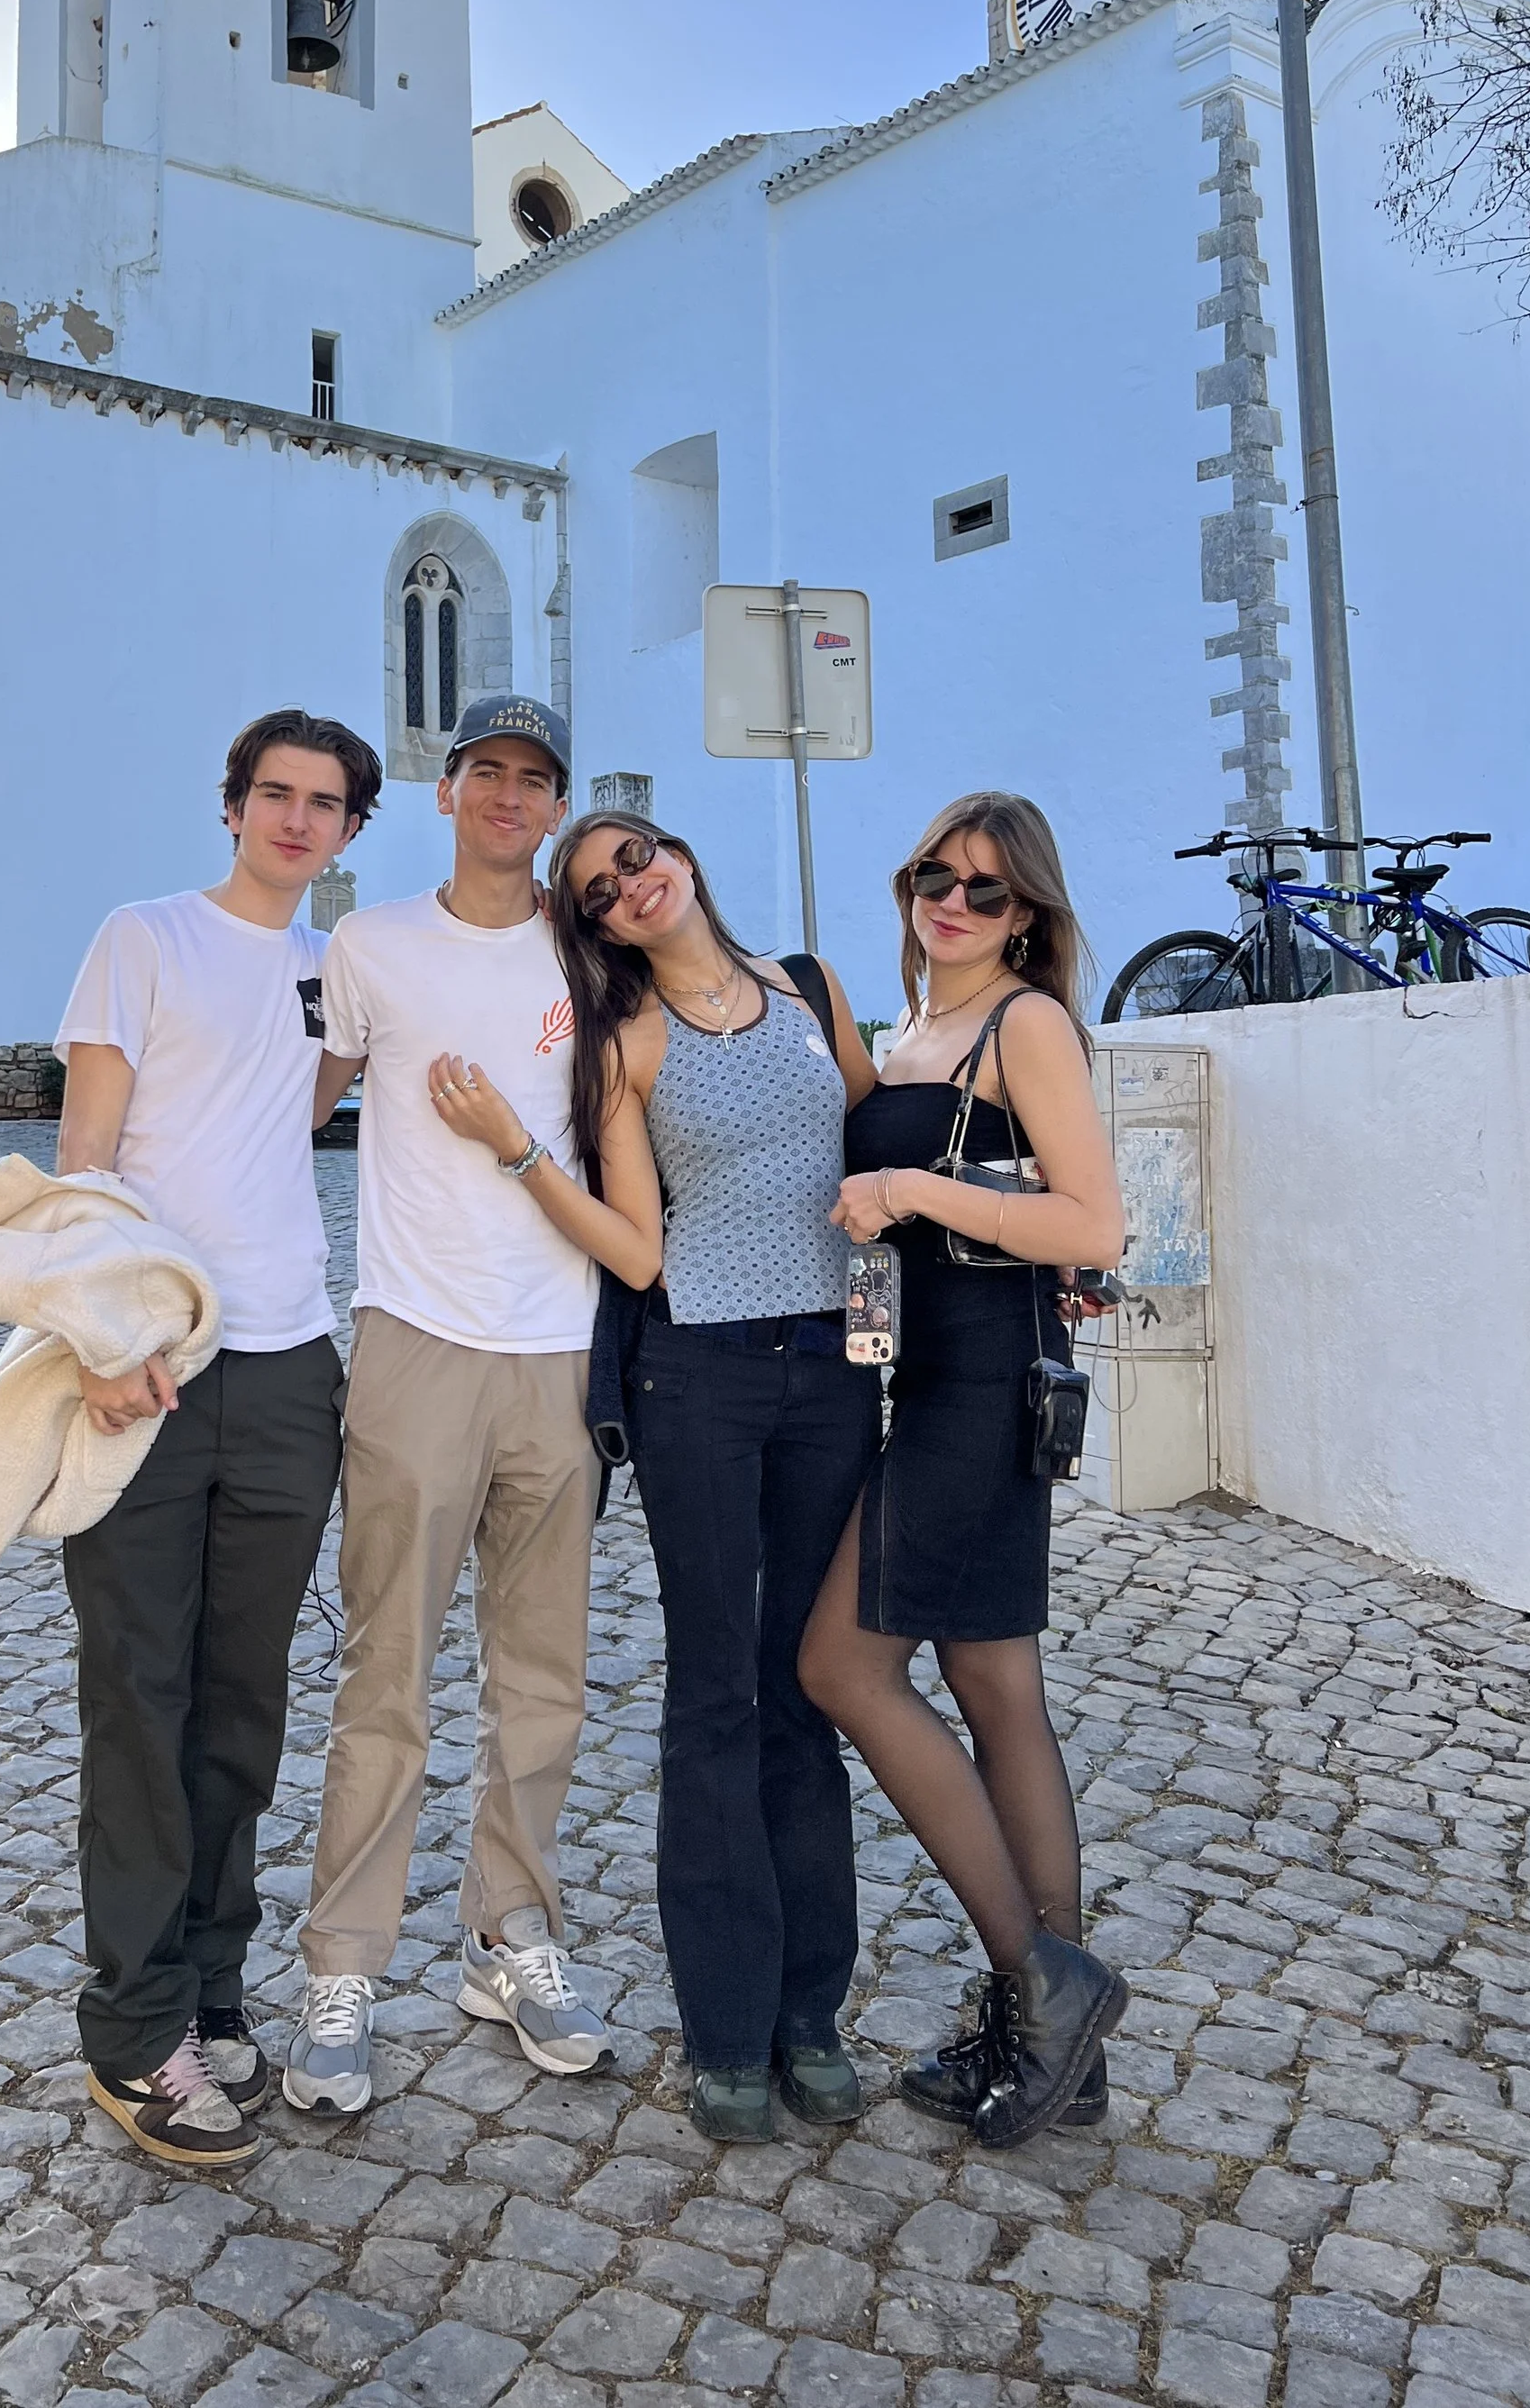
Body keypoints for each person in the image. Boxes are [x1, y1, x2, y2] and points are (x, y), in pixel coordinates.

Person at [439, 808, 886, 2140]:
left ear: (681, 854)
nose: (630, 886)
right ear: (590, 927)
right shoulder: (627, 1039)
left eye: (638, 857)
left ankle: (813, 2012)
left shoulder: (813, 991)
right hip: (700, 1379)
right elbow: (638, 1255)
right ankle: (728, 2027)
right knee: (715, 1696)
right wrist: (519, 1153)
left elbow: (866, 1150)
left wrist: (896, 1332)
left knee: (808, 1691)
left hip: (835, 1372)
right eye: (598, 890)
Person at [52, 705, 381, 2167]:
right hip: (153, 1367)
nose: (298, 820)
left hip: (292, 1365)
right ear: (233, 806)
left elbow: (306, 1115)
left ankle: (213, 1988)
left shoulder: (339, 974)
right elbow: (84, 1163)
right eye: (276, 795)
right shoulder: (145, 940)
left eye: (327, 804)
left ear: (352, 830)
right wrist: (105, 1336)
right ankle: (133, 2035)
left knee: (244, 1705)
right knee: (141, 1694)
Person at [282, 695, 616, 2113]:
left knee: (541, 1680)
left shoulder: (595, 953)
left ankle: (511, 1934)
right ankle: (344, 1969)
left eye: (534, 780)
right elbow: (291, 1106)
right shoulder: (373, 947)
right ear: (447, 790)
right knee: (388, 1678)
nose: (507, 796)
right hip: (414, 1340)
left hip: (565, 1348)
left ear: (556, 808)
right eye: (486, 771)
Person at [797, 791, 1128, 2149]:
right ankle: (1061, 2057)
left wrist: (920, 1192)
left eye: (988, 890)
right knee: (995, 1682)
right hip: (924, 1382)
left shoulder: (1023, 1025)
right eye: (938, 874)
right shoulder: (914, 1030)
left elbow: (1092, 1216)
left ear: (1028, 915)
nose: (955, 901)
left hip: (986, 1390)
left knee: (844, 1668)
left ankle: (1045, 1985)